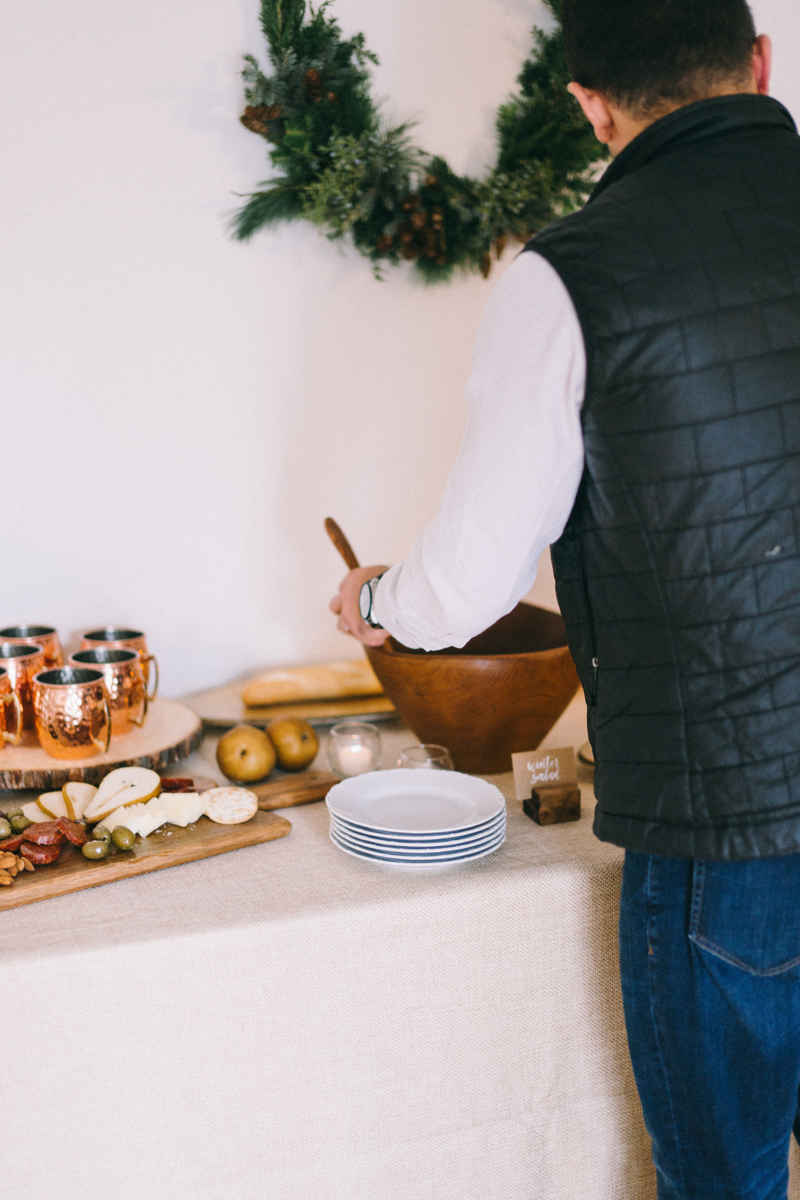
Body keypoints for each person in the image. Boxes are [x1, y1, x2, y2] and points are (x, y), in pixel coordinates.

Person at [330, 2, 800, 1195]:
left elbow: (472, 577)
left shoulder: (569, 274)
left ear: (589, 104)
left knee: (723, 1181)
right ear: (758, 62)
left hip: (727, 823)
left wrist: (379, 594)